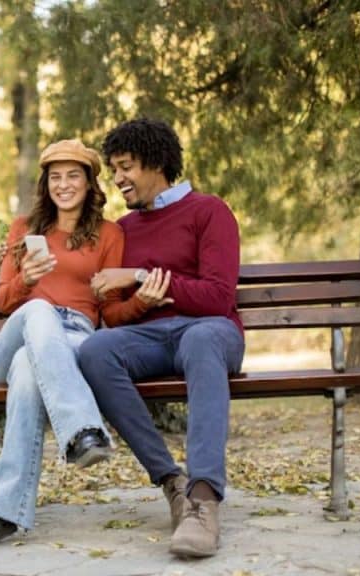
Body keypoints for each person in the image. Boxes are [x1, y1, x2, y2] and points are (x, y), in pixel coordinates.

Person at [79, 118, 244, 558]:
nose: (117, 179)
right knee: (94, 350)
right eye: (114, 169)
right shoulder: (122, 229)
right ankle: (173, 484)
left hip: (211, 332)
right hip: (151, 336)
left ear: (155, 163)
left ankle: (205, 498)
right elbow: (113, 316)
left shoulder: (210, 211)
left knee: (202, 339)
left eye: (126, 166)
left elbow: (216, 297)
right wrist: (140, 303)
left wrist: (141, 277)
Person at [0, 139, 125, 547]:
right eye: (55, 177)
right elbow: (3, 301)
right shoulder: (24, 229)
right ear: (45, 183)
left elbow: (113, 311)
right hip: (17, 336)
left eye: (73, 176)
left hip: (74, 342)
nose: (63, 184)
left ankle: (0, 512)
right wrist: (27, 280)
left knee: (31, 374)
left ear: (89, 183)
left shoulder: (109, 234)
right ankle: (83, 430)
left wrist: (121, 288)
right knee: (39, 311)